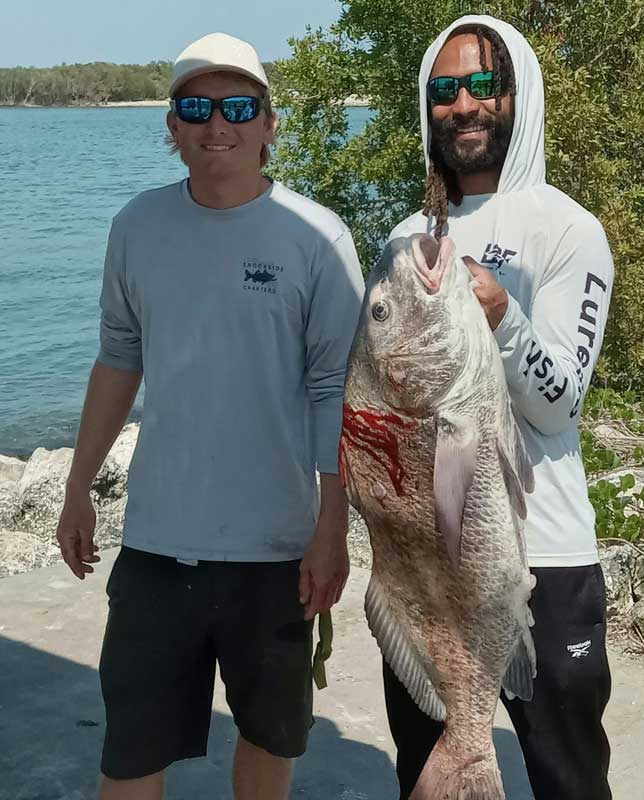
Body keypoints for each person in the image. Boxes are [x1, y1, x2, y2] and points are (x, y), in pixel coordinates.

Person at [55, 32, 365, 800]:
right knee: (129, 753)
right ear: (172, 126)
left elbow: (339, 390)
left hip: (277, 549)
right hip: (158, 543)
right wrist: (76, 488)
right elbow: (118, 359)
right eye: (196, 106)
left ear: (269, 123)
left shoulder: (319, 237)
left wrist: (333, 526)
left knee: (269, 741)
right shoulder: (136, 227)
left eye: (238, 106)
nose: (216, 123)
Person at [386, 15, 615, 800]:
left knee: (569, 780)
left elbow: (557, 405)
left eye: (485, 84)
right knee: (430, 775)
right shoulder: (406, 236)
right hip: (424, 562)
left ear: (520, 95)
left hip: (542, 564)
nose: (464, 105)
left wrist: (500, 318)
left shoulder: (568, 230)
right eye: (444, 90)